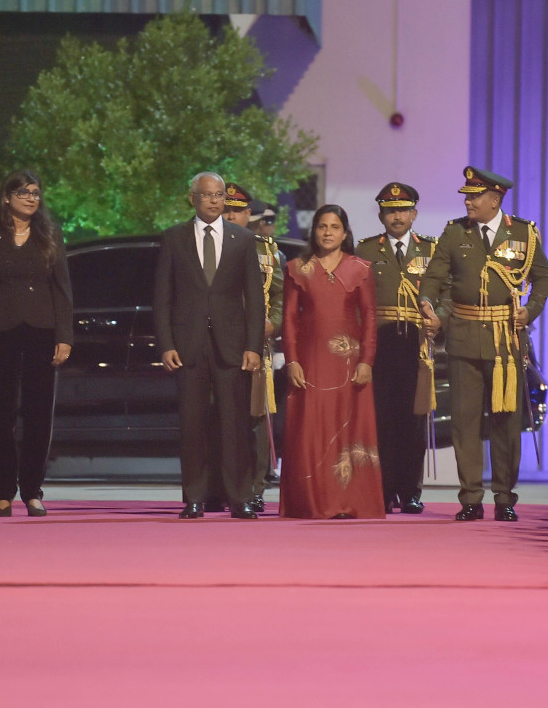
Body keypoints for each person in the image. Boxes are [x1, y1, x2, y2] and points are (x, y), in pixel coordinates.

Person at [419, 166, 548, 522]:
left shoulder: (523, 233)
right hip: (463, 337)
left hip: (505, 342)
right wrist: (427, 303)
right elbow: (434, 276)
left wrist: (531, 310)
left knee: (506, 422)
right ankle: (471, 499)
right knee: (464, 422)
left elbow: (543, 277)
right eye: (467, 196)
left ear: (495, 200)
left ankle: (505, 498)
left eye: (474, 196)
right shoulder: (454, 232)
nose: (467, 202)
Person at [153, 171, 264, 520]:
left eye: (219, 195)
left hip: (232, 346)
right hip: (188, 344)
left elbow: (255, 298)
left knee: (235, 426)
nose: (215, 200)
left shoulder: (243, 239)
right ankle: (194, 498)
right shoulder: (174, 238)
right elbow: (162, 296)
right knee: (192, 426)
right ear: (193, 199)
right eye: (207, 194)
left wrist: (253, 346)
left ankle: (239, 498)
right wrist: (166, 343)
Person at [0, 170, 73, 517]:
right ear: (7, 197)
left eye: (35, 193)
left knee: (39, 415)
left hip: (42, 332)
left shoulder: (50, 234)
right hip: (0, 331)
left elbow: (62, 289)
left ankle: (32, 492)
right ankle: (3, 493)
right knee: (2, 415)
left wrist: (64, 336)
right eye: (24, 192)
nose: (31, 198)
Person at [280, 204, 384, 519]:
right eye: (322, 226)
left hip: (349, 363)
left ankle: (348, 502)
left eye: (334, 227)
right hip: (310, 362)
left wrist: (366, 361)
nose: (328, 233)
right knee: (311, 428)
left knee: (348, 428)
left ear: (345, 232)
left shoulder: (360, 268)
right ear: (314, 231)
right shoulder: (297, 268)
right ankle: (312, 502)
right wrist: (292, 361)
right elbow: (289, 318)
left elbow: (369, 317)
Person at [355, 182, 440, 514]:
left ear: (414, 214)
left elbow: (445, 295)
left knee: (414, 420)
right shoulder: (365, 251)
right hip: (380, 344)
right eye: (390, 211)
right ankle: (384, 489)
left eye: (403, 210)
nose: (397, 216)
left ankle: (410, 491)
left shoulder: (431, 250)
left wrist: (440, 320)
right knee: (382, 419)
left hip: (416, 345)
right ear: (381, 215)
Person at [222, 185, 283, 513]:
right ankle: (221, 487)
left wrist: (274, 322)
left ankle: (255, 488)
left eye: (237, 211)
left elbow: (280, 295)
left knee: (256, 417)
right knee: (220, 416)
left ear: (249, 215)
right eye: (226, 209)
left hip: (256, 343)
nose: (230, 216)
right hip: (219, 341)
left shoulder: (267, 250)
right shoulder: (210, 244)